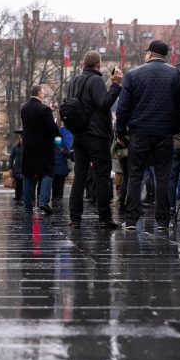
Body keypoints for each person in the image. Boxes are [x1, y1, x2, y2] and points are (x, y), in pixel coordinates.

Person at [116, 40, 180, 230]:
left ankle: (131, 219)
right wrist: (175, 128)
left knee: (135, 175)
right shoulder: (176, 75)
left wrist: (120, 131)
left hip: (139, 132)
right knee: (163, 176)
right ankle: (163, 220)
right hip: (164, 133)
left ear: (149, 54)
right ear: (165, 55)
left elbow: (123, 108)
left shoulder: (133, 75)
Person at [68, 51, 122, 228]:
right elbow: (104, 103)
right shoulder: (96, 80)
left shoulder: (75, 80)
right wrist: (115, 85)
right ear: (98, 64)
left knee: (79, 176)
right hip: (96, 136)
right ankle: (104, 218)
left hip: (79, 134)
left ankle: (75, 218)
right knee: (101, 176)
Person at [20, 85, 60, 214]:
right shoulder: (44, 109)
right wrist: (53, 120)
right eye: (43, 93)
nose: (44, 94)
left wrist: (48, 109)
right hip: (43, 148)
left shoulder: (24, 108)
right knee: (47, 173)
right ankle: (43, 202)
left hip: (28, 147)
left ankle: (27, 206)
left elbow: (34, 120)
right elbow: (53, 129)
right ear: (39, 94)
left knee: (28, 175)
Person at [52, 127, 73, 207]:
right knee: (60, 184)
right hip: (61, 169)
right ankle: (58, 196)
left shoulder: (53, 145)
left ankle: (55, 196)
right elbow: (68, 156)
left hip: (56, 169)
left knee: (56, 184)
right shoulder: (65, 146)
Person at [8, 129, 23, 202]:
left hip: (25, 167)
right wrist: (10, 167)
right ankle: (17, 196)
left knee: (24, 183)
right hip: (16, 168)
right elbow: (11, 157)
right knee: (17, 183)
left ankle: (23, 196)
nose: (22, 139)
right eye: (21, 138)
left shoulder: (28, 146)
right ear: (19, 138)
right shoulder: (15, 147)